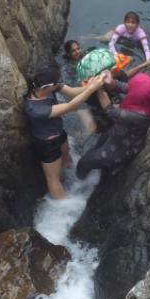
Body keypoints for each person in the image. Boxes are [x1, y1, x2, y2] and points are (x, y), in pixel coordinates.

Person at [25, 66, 105, 199]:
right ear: (47, 87)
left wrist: (93, 84)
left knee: (66, 156)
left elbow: (73, 92)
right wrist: (91, 89)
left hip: (59, 132)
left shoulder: (49, 85)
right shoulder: (35, 109)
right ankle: (63, 208)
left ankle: (73, 180)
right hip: (47, 143)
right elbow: (71, 106)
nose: (58, 85)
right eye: (56, 83)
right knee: (53, 178)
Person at [76, 66, 150, 180]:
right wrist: (110, 82)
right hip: (118, 133)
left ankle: (78, 183)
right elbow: (124, 87)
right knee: (97, 146)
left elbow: (110, 111)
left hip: (122, 148)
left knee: (84, 162)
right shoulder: (144, 98)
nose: (131, 87)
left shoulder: (140, 116)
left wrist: (99, 89)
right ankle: (105, 167)